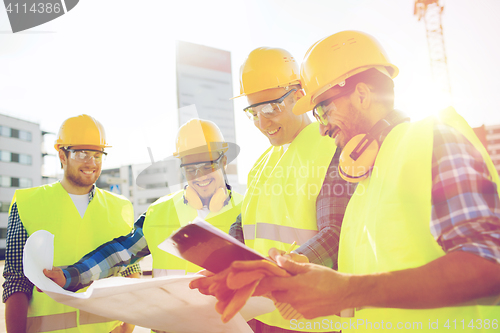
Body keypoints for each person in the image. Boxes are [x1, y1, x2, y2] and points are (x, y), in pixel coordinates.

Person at [231, 30, 500, 332]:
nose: (321, 128)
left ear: (362, 94)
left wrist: (347, 289)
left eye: (323, 109)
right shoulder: (366, 180)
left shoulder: (433, 140)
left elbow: (491, 267)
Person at [226, 47, 356, 332]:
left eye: (271, 109)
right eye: (253, 112)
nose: (263, 123)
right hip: (258, 314)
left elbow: (336, 234)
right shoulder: (262, 163)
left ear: (299, 95)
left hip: (310, 318)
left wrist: (287, 266)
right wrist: (222, 259)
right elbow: (244, 225)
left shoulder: (330, 149)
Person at [43, 119, 243, 293]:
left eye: (207, 166)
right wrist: (70, 276)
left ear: (223, 161)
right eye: (190, 169)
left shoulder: (247, 210)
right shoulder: (160, 212)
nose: (199, 176)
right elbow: (119, 254)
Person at [2, 114, 140, 333]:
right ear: (62, 156)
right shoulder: (28, 204)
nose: (91, 162)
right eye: (82, 153)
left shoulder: (120, 207)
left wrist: (126, 328)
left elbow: (130, 272)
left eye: (97, 154)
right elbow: (16, 281)